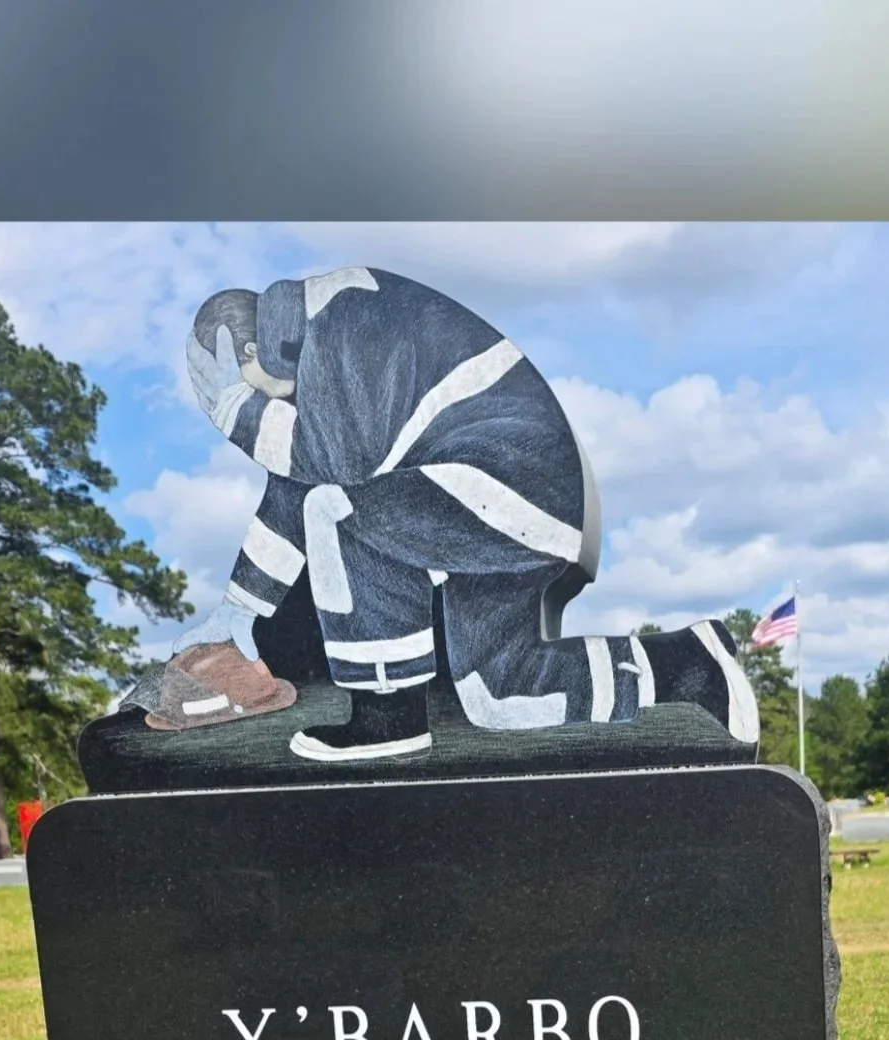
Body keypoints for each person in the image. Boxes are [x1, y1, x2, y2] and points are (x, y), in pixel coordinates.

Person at [182, 269, 759, 763]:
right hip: (496, 502)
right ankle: (688, 666)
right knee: (498, 698)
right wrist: (240, 609)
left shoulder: (339, 314)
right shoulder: (317, 370)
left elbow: (339, 467)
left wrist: (241, 416)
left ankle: (389, 717)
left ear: (250, 353)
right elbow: (297, 481)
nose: (245, 413)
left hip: (509, 477)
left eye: (235, 392)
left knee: (339, 513)